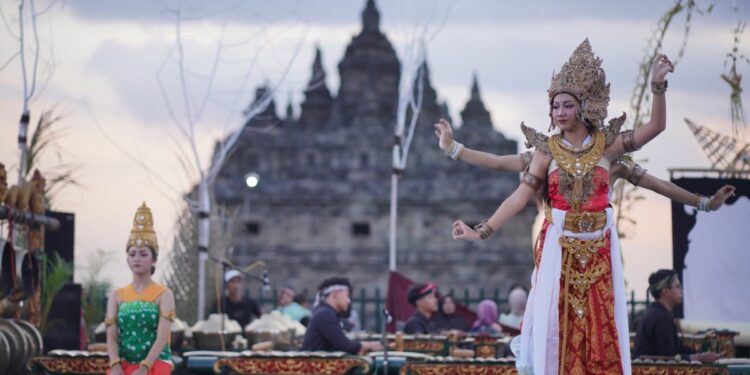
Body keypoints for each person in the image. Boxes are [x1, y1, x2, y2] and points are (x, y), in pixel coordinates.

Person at [448, 39, 675, 374]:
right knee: (556, 325)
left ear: (582, 107)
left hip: (599, 249)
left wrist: (658, 85)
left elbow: (655, 128)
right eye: (555, 107)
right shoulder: (546, 152)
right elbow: (505, 175)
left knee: (601, 325)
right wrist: (455, 151)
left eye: (567, 105)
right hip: (560, 250)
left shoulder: (606, 149)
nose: (560, 113)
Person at [106, 203, 175, 375]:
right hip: (123, 364)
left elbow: (162, 338)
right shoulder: (116, 295)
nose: (137, 258)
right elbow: (112, 336)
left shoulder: (164, 294)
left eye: (143, 254)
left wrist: (144, 367)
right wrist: (115, 365)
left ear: (153, 260)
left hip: (155, 364)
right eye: (132, 254)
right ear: (127, 259)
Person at [633, 269, 720, 363]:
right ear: (665, 291)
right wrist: (700, 358)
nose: (681, 290)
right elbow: (669, 360)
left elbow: (675, 349)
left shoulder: (656, 313)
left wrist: (701, 355)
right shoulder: (661, 317)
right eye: (678, 287)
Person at [301, 277, 381, 353]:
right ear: (335, 294)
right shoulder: (325, 314)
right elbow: (344, 345)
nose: (349, 301)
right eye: (347, 296)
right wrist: (368, 345)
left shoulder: (325, 312)